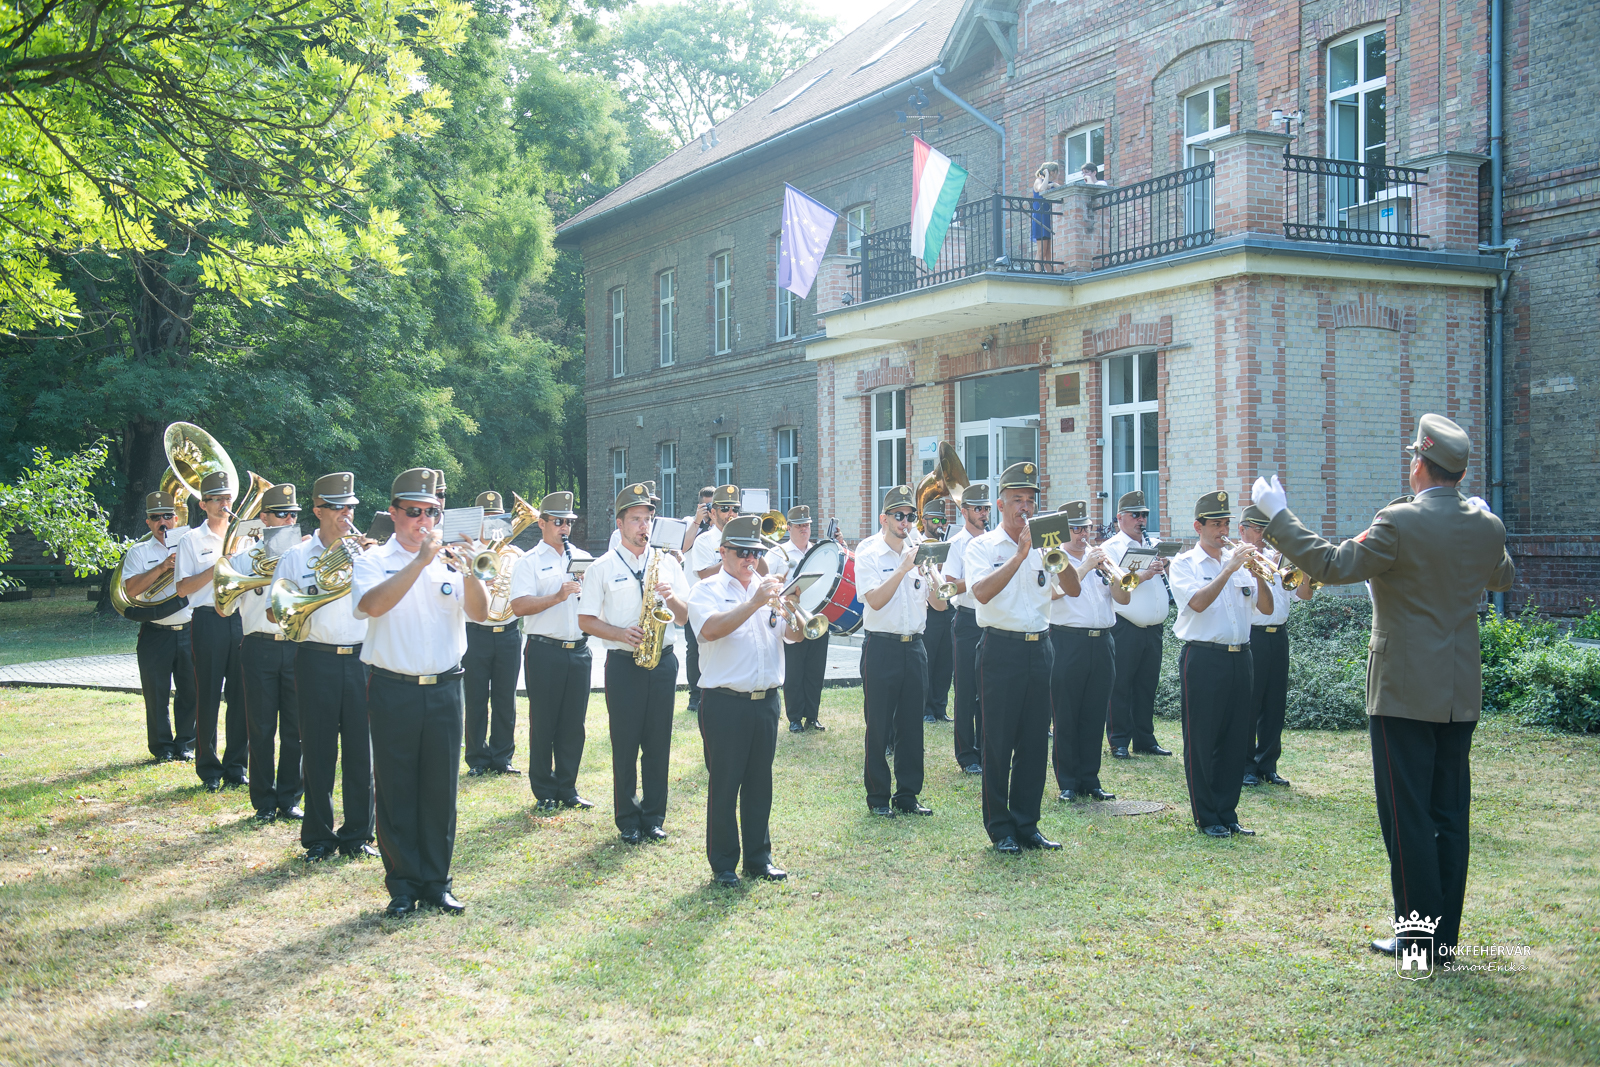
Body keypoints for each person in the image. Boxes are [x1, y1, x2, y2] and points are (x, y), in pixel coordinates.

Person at [1251, 413, 1515, 964]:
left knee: (1406, 815)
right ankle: (1444, 940)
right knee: (1449, 813)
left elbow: (1329, 563)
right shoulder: (1487, 525)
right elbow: (1502, 577)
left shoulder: (1398, 521)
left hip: (1401, 689)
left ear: (1419, 464)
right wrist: (1486, 523)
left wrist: (1277, 517)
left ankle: (1417, 940)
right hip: (1458, 689)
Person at [352, 468, 490, 918]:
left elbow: (482, 614)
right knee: (395, 789)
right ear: (393, 514)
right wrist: (418, 562)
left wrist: (468, 571)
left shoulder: (450, 559)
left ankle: (437, 880)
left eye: (432, 512)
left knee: (440, 789)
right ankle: (403, 884)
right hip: (393, 687)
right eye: (414, 512)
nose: (424, 521)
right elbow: (371, 606)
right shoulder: (375, 560)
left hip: (446, 687)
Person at [966, 462, 1080, 853]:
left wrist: (1056, 554)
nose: (1025, 507)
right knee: (997, 741)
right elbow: (980, 593)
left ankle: (1027, 824)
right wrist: (1020, 555)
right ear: (1000, 504)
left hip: (1041, 647)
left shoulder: (1048, 542)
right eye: (1017, 500)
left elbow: (1074, 590)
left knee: (1034, 741)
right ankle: (1000, 828)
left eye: (1030, 500)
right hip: (1000, 649)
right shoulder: (982, 546)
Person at [686, 514, 800, 887]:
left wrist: (795, 610)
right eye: (741, 552)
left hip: (765, 700)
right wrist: (754, 602)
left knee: (759, 783)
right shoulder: (706, 590)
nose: (750, 559)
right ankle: (723, 864)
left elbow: (793, 637)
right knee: (725, 783)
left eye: (755, 552)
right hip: (725, 703)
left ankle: (758, 857)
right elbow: (710, 629)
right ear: (722, 552)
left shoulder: (768, 592)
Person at [579, 482, 690, 843]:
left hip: (663, 662)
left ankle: (654, 816)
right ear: (621, 524)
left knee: (658, 743)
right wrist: (617, 633)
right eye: (637, 519)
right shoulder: (601, 567)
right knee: (625, 743)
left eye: (648, 519)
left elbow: (686, 618)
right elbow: (585, 620)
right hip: (624, 663)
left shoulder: (669, 564)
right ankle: (627, 818)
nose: (644, 526)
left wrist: (672, 600)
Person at [274, 472, 375, 863]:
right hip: (315, 658)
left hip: (362, 658)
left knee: (360, 751)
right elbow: (276, 609)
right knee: (315, 749)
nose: (346, 515)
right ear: (318, 510)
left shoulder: (367, 556)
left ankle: (358, 834)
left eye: (350, 507)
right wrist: (311, 593)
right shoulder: (296, 557)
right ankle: (318, 834)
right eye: (337, 507)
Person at [1168, 491, 1272, 838]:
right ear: (1198, 526)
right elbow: (1197, 602)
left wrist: (1259, 572)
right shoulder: (1184, 564)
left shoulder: (1240, 563)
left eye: (1226, 523)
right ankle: (1207, 815)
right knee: (1203, 737)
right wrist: (1229, 569)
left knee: (1234, 737)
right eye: (1215, 524)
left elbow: (1267, 609)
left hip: (1241, 657)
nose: (1223, 531)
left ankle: (1228, 812)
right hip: (1204, 658)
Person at [855, 485, 941, 817]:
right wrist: (905, 568)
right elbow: (874, 599)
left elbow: (940, 602)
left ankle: (908, 795)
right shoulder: (868, 552)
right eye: (899, 516)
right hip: (882, 647)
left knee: (911, 725)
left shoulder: (920, 550)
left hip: (914, 647)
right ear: (884, 518)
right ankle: (877, 797)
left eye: (910, 516)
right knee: (878, 725)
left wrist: (928, 571)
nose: (906, 522)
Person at [509, 491, 594, 814]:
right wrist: (557, 596)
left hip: (579, 649)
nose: (564, 528)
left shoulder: (582, 556)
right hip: (545, 650)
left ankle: (567, 787)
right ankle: (544, 789)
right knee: (545, 722)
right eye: (558, 522)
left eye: (569, 522)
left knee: (574, 723)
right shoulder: (528, 561)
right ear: (542, 523)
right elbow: (518, 606)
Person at [228, 483, 303, 823]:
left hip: (296, 646)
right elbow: (225, 608)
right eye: (282, 514)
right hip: (258, 645)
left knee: (295, 728)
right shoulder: (243, 559)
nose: (289, 520)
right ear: (264, 518)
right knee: (259, 727)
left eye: (294, 514)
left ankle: (289, 798)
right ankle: (263, 801)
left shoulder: (303, 557)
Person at [1048, 500, 1127, 803]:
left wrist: (1116, 573)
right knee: (1066, 713)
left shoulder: (1100, 560)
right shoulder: (1054, 558)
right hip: (1067, 641)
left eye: (1087, 527)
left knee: (1095, 712)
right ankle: (1068, 781)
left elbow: (1123, 599)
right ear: (1062, 531)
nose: (1083, 534)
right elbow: (1059, 592)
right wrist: (1085, 565)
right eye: (1076, 528)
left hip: (1103, 640)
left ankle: (1090, 779)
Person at [175, 470, 247, 792]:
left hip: (241, 619)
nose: (224, 504)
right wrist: (219, 564)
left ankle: (236, 766)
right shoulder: (191, 540)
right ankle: (208, 769)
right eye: (217, 499)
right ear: (203, 504)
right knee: (208, 695)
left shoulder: (245, 536)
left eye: (228, 498)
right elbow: (182, 588)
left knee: (241, 695)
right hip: (207, 620)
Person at [1238, 503, 1313, 787]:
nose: (1261, 536)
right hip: (1252, 635)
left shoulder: (1278, 560)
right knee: (1250, 703)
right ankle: (1245, 765)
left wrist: (1305, 566)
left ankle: (1267, 764)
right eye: (1256, 529)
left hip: (1278, 635)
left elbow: (1304, 595)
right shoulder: (1238, 561)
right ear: (1241, 530)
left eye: (1265, 530)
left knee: (1274, 703)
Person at [122, 491, 197, 763]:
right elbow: (131, 589)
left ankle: (186, 744)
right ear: (148, 523)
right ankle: (162, 747)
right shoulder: (138, 552)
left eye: (167, 516)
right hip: (155, 632)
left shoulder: (190, 545)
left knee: (191, 691)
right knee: (156, 694)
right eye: (156, 518)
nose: (163, 522)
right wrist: (162, 568)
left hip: (190, 629)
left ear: (176, 518)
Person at [1100, 491, 1173, 759]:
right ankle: (1118, 740)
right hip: (1125, 625)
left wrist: (1166, 565)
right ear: (1120, 518)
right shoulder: (1112, 548)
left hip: (1153, 628)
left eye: (1144, 515)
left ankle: (1145, 738)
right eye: (1135, 515)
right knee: (1120, 684)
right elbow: (1116, 586)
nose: (1141, 520)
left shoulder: (1155, 543)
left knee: (1146, 684)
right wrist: (1145, 573)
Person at [463, 490, 522, 778]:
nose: (492, 523)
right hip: (476, 633)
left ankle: (502, 756)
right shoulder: (466, 553)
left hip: (509, 631)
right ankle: (476, 757)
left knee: (504, 697)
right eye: (486, 518)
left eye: (497, 517)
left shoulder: (516, 555)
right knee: (474, 698)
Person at [940, 484, 990, 774]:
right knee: (966, 689)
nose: (983, 514)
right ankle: (967, 755)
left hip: (990, 618)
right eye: (977, 509)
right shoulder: (957, 544)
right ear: (964, 512)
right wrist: (979, 577)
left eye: (986, 508)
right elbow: (948, 584)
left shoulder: (994, 542)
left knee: (988, 689)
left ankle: (986, 749)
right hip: (968, 618)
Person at [765, 505, 829, 732]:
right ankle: (794, 718)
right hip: (790, 618)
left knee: (815, 668)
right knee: (794, 669)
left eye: (807, 525)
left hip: (816, 614)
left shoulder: (818, 551)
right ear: (789, 528)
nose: (804, 529)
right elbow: (765, 584)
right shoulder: (777, 554)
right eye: (800, 525)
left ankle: (812, 716)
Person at [684, 484, 742, 713]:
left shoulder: (742, 539)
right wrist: (731, 556)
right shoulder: (704, 540)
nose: (731, 514)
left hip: (734, 603)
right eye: (725, 509)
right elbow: (704, 573)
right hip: (706, 605)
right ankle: (696, 695)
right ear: (714, 512)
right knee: (696, 650)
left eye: (735, 509)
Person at [919, 501, 954, 724]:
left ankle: (940, 708)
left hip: (948, 607)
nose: (939, 524)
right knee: (929, 660)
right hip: (929, 608)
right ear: (924, 521)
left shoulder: (948, 544)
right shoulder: (917, 543)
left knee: (945, 661)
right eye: (935, 520)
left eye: (942, 520)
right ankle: (926, 708)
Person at [1030, 162, 1061, 264]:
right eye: (1056, 172)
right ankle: (1037, 273)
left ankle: (1050, 272)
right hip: (1040, 217)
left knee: (1048, 252)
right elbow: (1041, 189)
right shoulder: (1038, 181)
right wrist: (1047, 176)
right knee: (1041, 250)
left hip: (1048, 218)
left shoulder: (1050, 184)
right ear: (1052, 172)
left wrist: (1053, 184)